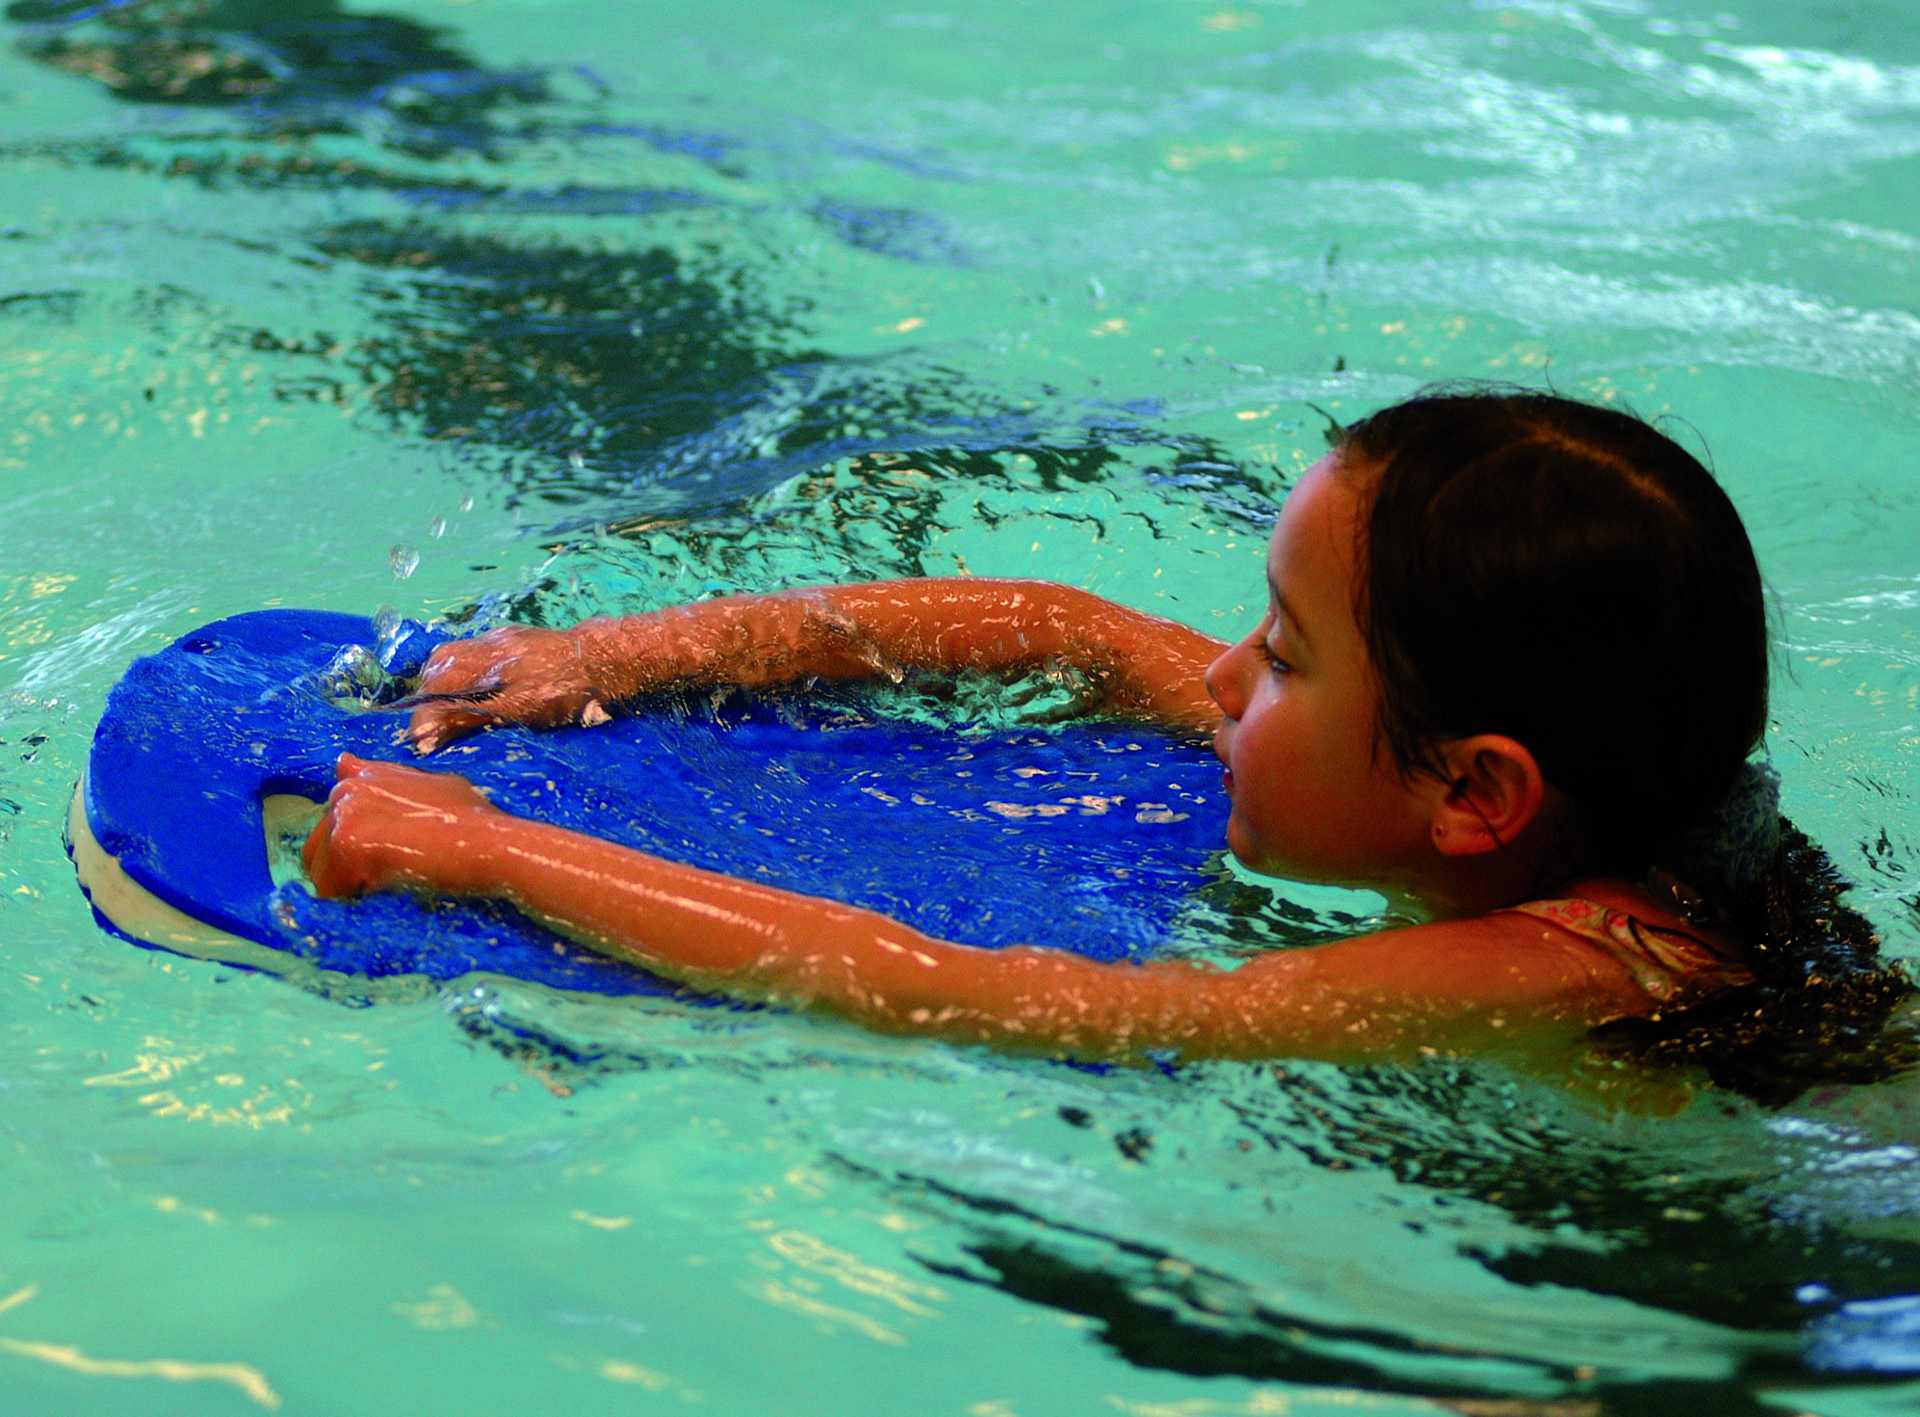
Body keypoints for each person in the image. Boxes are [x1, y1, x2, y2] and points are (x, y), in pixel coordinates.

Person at [300, 390, 1898, 1070]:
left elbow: (1015, 1002)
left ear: (1473, 794)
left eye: (1284, 656)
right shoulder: (1542, 790)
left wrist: (494, 850)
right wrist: (611, 655)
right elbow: (1065, 625)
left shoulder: (1569, 962)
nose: (1215, 682)